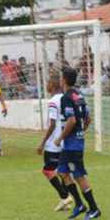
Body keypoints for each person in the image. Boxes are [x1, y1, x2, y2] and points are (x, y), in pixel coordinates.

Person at [55, 68, 101, 220]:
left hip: (72, 145)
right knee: (62, 171)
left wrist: (61, 137)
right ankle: (80, 204)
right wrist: (81, 132)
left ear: (64, 80)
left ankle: (94, 208)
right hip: (73, 143)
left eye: (61, 78)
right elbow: (87, 118)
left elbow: (72, 120)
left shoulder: (66, 97)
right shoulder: (79, 95)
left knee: (79, 176)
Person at [37, 77, 73, 211]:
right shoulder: (65, 98)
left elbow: (52, 124)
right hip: (65, 140)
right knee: (62, 171)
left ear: (52, 85)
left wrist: (43, 143)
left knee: (47, 170)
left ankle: (65, 196)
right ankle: (65, 202)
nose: (46, 85)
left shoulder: (53, 101)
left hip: (54, 143)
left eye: (47, 83)